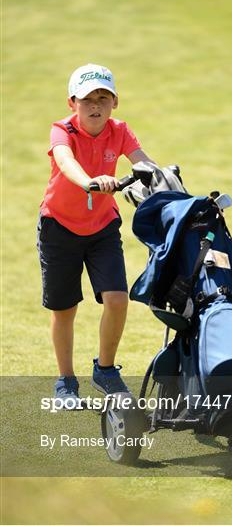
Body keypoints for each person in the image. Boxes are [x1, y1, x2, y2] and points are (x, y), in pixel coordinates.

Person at [37, 63, 155, 404]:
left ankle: (105, 370)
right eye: (88, 98)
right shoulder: (63, 130)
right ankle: (66, 382)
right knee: (65, 310)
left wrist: (160, 177)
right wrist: (92, 180)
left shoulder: (120, 130)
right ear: (72, 101)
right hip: (58, 227)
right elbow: (65, 161)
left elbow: (142, 162)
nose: (96, 105)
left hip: (102, 228)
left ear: (114, 103)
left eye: (104, 97)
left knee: (117, 300)